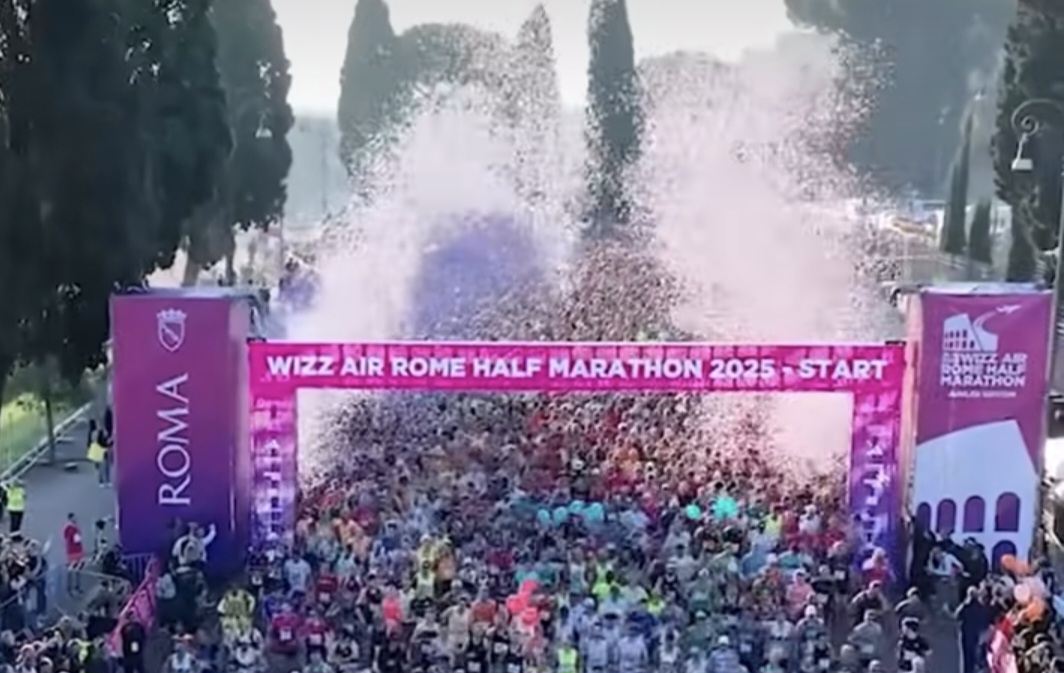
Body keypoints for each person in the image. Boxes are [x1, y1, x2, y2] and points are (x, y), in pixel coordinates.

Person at [62, 513, 85, 593]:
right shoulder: (72, 528)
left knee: (76, 569)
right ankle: (73, 587)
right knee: (74, 569)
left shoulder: (69, 528)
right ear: (70, 518)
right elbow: (77, 540)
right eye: (74, 518)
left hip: (74, 551)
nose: (76, 519)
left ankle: (74, 587)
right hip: (74, 551)